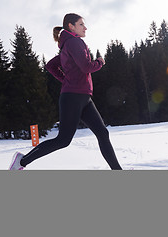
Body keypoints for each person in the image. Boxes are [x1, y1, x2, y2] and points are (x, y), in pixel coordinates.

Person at [9, 13, 122, 170]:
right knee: (63, 140)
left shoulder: (66, 46)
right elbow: (86, 67)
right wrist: (99, 62)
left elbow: (50, 65)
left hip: (83, 97)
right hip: (73, 98)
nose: (85, 27)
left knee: (103, 133)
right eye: (81, 24)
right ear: (71, 26)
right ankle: (21, 161)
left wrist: (67, 80)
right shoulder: (75, 42)